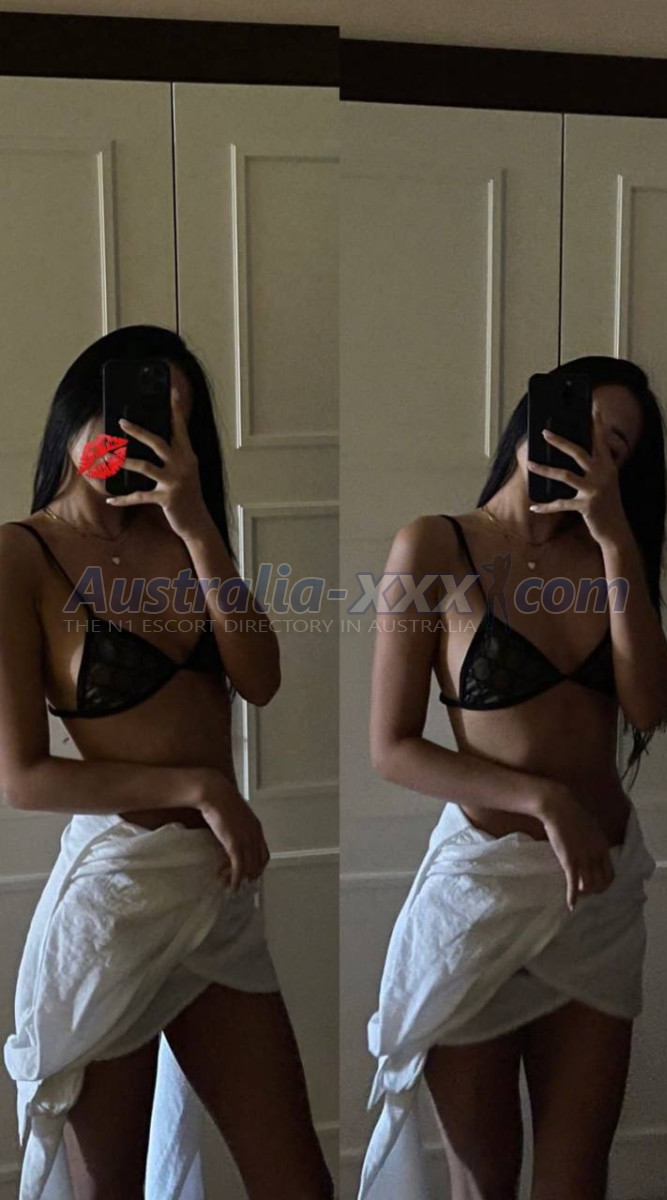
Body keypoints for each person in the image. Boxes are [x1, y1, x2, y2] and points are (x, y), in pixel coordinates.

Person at [0, 325, 335, 1200]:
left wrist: (195, 525)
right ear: (80, 414)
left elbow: (259, 678)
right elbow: (24, 776)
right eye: (137, 413)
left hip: (215, 898)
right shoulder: (19, 556)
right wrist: (198, 786)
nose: (150, 436)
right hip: (115, 905)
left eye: (175, 422)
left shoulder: (182, 537)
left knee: (296, 1181)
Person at [360, 356, 667, 1200]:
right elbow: (391, 746)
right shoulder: (434, 546)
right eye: (579, 425)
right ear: (532, 416)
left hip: (595, 902)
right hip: (481, 900)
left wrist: (616, 541)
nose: (589, 453)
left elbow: (647, 707)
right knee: (483, 1182)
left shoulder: (609, 557)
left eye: (614, 448)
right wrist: (542, 799)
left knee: (575, 1182)